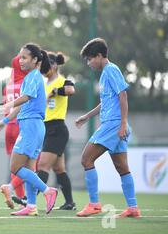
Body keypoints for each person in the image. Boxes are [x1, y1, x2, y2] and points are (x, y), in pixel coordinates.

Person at [0, 43, 58, 216]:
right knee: (29, 168)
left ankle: (48, 191)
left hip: (31, 127)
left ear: (35, 60)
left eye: (24, 57)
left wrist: (3, 106)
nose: (20, 61)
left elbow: (25, 97)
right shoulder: (32, 77)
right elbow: (25, 104)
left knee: (15, 167)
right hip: (34, 126)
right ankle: (31, 206)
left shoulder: (33, 76)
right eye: (20, 57)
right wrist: (5, 120)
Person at [75, 38, 140, 218]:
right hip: (114, 123)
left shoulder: (111, 70)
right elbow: (106, 102)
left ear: (99, 55)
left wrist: (123, 124)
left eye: (90, 59)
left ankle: (94, 204)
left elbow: (123, 95)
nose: (88, 63)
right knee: (122, 167)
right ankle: (133, 208)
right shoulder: (105, 73)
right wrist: (87, 116)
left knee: (86, 159)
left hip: (113, 124)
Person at [12, 52, 77, 210]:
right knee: (59, 169)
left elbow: (70, 90)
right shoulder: (42, 82)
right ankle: (70, 202)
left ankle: (31, 198)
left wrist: (55, 92)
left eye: (49, 63)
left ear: (54, 65)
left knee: (42, 165)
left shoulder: (63, 81)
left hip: (57, 128)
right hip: (45, 127)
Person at [0, 55, 28, 208]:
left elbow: (6, 105)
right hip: (21, 125)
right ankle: (12, 189)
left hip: (8, 127)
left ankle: (21, 197)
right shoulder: (26, 82)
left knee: (14, 164)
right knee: (30, 165)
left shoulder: (8, 85)